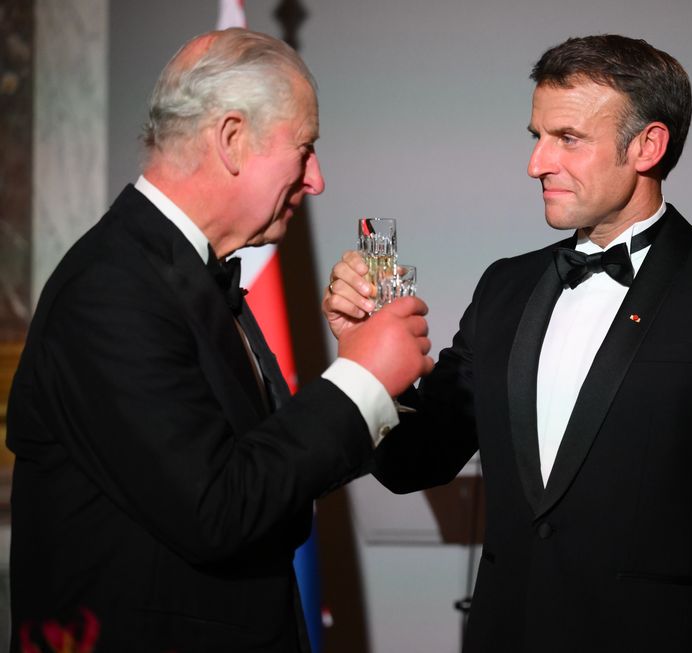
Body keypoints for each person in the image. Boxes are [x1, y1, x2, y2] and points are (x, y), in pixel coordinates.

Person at [325, 34, 692, 651]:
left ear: (647, 146)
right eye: (537, 137)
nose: (537, 163)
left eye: (568, 139)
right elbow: (411, 462)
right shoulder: (505, 286)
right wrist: (368, 362)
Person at [6, 28, 432, 652]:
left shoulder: (183, 274)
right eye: (305, 149)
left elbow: (269, 475)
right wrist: (359, 379)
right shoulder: (111, 289)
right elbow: (216, 510)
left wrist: (363, 362)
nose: (315, 180)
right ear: (233, 139)